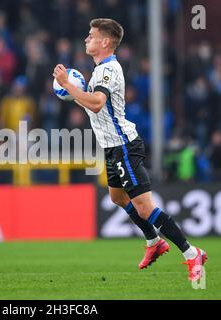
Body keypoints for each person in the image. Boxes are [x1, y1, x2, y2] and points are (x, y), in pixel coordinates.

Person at [53, 18, 207, 282]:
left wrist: (68, 86)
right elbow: (97, 108)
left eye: (91, 35)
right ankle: (154, 241)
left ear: (105, 41)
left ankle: (192, 253)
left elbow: (98, 104)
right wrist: (75, 91)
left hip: (124, 146)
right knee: (117, 197)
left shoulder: (107, 71)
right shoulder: (100, 69)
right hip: (112, 148)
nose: (86, 39)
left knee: (145, 208)